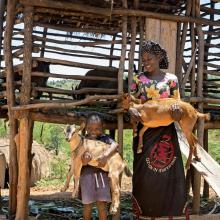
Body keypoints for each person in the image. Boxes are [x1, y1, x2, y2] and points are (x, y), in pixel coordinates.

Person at [131, 41, 188, 219]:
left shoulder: (172, 80)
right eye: (143, 60)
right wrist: (131, 111)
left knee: (170, 173)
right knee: (145, 175)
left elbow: (177, 104)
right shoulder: (137, 80)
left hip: (167, 132)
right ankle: (146, 214)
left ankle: (172, 213)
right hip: (144, 133)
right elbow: (131, 103)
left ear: (160, 57)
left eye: (149, 59)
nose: (145, 63)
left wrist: (178, 113)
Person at [80, 113, 118, 220]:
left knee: (102, 205)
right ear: (86, 128)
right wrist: (84, 159)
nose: (93, 131)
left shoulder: (105, 138)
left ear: (102, 128)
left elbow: (115, 145)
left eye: (97, 128)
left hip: (102, 176)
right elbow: (79, 160)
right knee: (87, 206)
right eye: (90, 128)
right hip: (86, 176)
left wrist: (106, 155)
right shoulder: (82, 141)